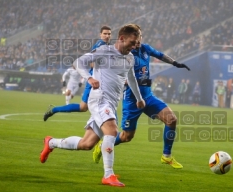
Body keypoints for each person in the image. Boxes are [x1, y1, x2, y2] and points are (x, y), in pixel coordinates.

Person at [40, 24, 145, 187]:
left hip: (111, 102)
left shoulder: (130, 58)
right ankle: (108, 175)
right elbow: (78, 62)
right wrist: (89, 78)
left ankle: (51, 142)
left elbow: (131, 78)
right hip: (99, 99)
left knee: (87, 144)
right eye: (132, 42)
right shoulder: (104, 51)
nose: (135, 45)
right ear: (122, 38)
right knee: (112, 130)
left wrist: (139, 98)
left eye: (137, 42)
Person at [92, 25, 190, 168]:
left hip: (148, 97)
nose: (137, 41)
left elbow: (160, 55)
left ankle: (166, 156)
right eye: (134, 38)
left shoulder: (145, 49)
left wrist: (175, 63)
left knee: (172, 120)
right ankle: (104, 143)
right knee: (127, 137)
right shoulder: (124, 54)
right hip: (132, 101)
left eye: (139, 37)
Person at [43, 26, 112, 121]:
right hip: (94, 80)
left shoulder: (108, 46)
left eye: (109, 34)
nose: (107, 36)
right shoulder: (100, 45)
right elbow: (92, 63)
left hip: (100, 80)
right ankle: (54, 109)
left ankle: (54, 110)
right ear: (100, 34)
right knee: (85, 107)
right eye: (105, 33)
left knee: (84, 107)